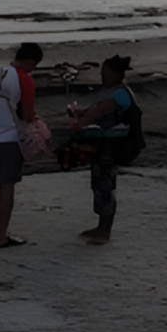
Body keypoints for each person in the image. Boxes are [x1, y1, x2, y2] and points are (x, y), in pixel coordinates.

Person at [68, 54, 143, 244]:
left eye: (107, 74)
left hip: (112, 147)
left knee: (104, 184)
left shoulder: (119, 93)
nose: (103, 78)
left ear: (118, 75)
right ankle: (102, 226)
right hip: (105, 144)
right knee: (100, 182)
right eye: (102, 74)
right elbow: (96, 109)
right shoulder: (114, 90)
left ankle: (104, 229)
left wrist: (80, 122)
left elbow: (100, 111)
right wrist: (81, 114)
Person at [0, 42, 42, 248]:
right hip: (11, 139)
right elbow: (27, 114)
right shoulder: (25, 79)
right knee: (6, 185)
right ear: (30, 62)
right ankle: (1, 236)